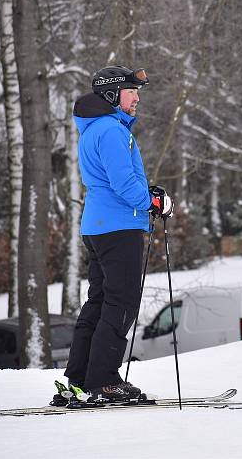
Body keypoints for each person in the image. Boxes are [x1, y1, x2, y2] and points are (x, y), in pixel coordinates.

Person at [61, 65, 173, 404]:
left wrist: (146, 194)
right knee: (121, 301)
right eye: (131, 91)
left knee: (99, 301)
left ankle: (80, 379)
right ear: (112, 94)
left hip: (98, 226)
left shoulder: (94, 129)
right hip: (119, 226)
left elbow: (114, 180)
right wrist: (152, 201)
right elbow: (123, 184)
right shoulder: (111, 130)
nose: (137, 97)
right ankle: (104, 380)